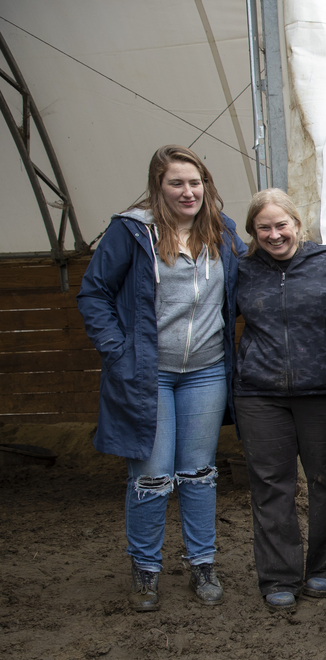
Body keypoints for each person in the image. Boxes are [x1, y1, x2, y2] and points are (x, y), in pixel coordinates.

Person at [78, 144, 244, 611]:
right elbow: (94, 294)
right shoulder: (132, 232)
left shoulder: (223, 233)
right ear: (159, 187)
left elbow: (261, 271)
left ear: (206, 185)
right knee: (152, 477)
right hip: (148, 374)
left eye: (196, 182)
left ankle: (202, 564)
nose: (188, 191)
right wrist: (119, 352)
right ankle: (146, 569)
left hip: (206, 372)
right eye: (177, 183)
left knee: (199, 473)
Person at [236, 189, 326, 612]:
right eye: (263, 227)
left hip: (321, 392)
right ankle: (278, 576)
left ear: (298, 225)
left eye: (281, 225)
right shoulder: (243, 271)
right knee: (270, 487)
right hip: (259, 395)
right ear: (253, 232)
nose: (274, 234)